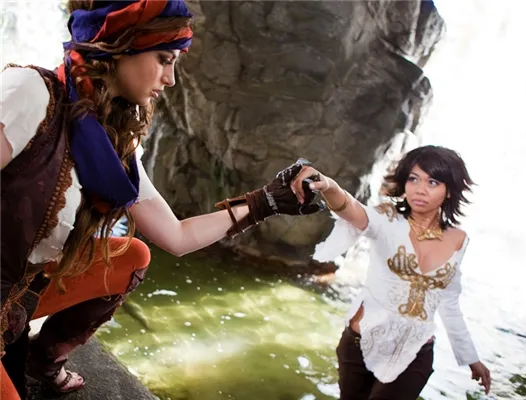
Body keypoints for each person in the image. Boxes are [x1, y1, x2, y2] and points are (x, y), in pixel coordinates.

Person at [0, 1, 323, 398]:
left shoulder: (113, 142)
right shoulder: (31, 93)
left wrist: (266, 202)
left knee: (133, 256)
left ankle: (43, 358)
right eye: (164, 60)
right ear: (120, 46)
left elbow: (177, 236)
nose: (170, 79)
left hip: (18, 295)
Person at [289, 145, 492, 399]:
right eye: (413, 179)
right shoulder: (386, 219)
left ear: (449, 190)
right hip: (359, 347)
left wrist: (471, 358)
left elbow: (449, 303)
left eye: (432, 182)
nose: (420, 189)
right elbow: (351, 209)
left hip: (414, 355)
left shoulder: (458, 240)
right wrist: (328, 186)